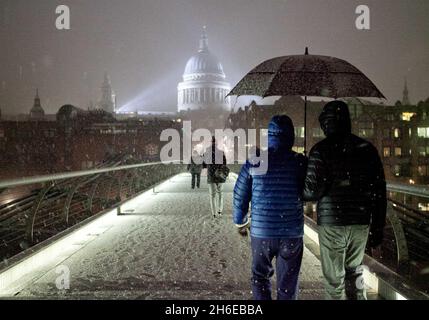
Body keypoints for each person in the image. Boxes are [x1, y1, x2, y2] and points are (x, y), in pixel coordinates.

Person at [303, 100, 387, 300]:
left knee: (334, 282)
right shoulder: (368, 149)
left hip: (332, 223)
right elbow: (379, 191)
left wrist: (308, 172)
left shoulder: (320, 150)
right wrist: (377, 227)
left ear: (325, 124)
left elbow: (311, 193)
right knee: (355, 273)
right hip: (360, 221)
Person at [233, 115, 307, 300]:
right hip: (291, 232)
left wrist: (239, 221)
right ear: (292, 136)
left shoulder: (256, 160)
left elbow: (240, 195)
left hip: (262, 232)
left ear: (269, 136)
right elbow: (310, 192)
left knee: (260, 278)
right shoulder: (300, 162)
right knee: (288, 282)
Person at [203, 136, 227, 218]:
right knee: (220, 193)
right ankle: (220, 210)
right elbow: (225, 164)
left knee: (212, 195)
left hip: (211, 176)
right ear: (216, 143)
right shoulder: (221, 152)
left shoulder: (206, 152)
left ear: (210, 143)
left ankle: (214, 213)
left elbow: (203, 165)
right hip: (220, 175)